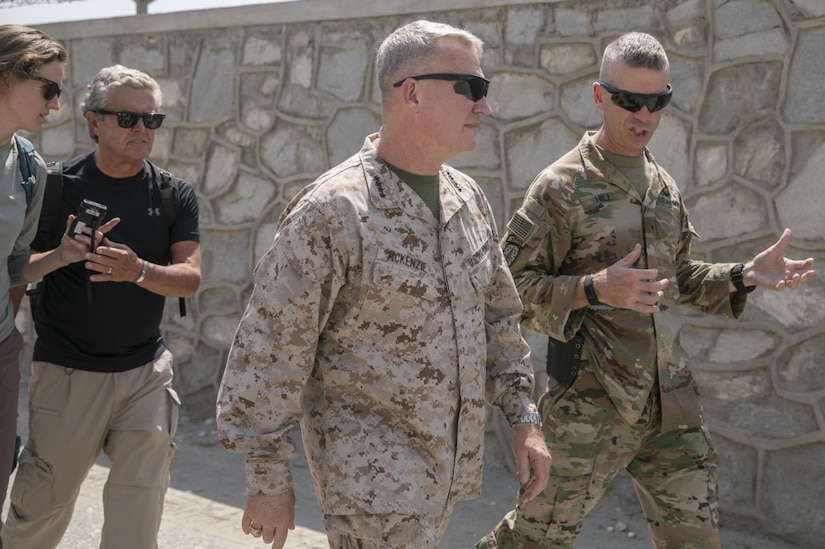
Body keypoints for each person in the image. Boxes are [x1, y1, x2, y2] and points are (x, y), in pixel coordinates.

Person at [217, 19, 551, 549]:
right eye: (471, 88)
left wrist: (523, 417)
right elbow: (271, 348)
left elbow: (500, 319)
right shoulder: (335, 210)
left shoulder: (467, 200)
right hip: (370, 485)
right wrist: (267, 481)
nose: (484, 106)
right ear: (411, 92)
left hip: (443, 473)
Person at [477, 32, 815, 549]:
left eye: (657, 101)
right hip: (589, 412)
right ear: (598, 96)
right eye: (629, 100)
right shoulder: (560, 187)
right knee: (535, 541)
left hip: (671, 410)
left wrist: (745, 274)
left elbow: (675, 283)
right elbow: (507, 291)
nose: (644, 115)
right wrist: (594, 289)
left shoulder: (662, 187)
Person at [1, 64, 201, 549]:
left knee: (137, 523)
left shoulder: (174, 194)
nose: (141, 130)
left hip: (145, 375)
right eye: (128, 119)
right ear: (94, 121)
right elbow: (17, 271)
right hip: (67, 376)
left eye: (151, 121)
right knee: (37, 518)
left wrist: (137, 271)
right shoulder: (53, 186)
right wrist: (63, 255)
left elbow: (190, 279)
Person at [0, 24, 66, 536]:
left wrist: (61, 255)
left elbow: (15, 268)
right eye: (49, 88)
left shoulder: (29, 168)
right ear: (6, 75)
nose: (55, 104)